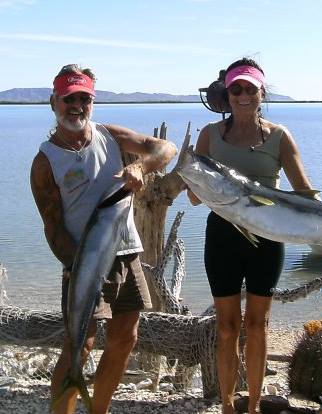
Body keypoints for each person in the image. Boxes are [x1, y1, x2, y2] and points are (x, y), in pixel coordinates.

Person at [188, 58, 322, 414]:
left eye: (251, 89)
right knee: (228, 327)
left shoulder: (279, 136)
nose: (243, 95)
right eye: (237, 89)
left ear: (262, 93)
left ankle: (254, 407)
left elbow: (306, 195)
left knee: (258, 324)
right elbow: (193, 195)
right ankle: (228, 406)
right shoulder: (210, 135)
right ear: (227, 94)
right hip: (222, 237)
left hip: (269, 237)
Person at [30, 64, 177, 414]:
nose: (77, 106)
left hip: (127, 253)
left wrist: (140, 167)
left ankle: (99, 409)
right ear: (54, 102)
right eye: (69, 99)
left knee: (127, 336)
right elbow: (52, 227)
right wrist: (75, 267)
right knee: (80, 344)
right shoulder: (44, 161)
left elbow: (165, 147)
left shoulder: (108, 135)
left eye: (84, 98)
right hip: (83, 261)